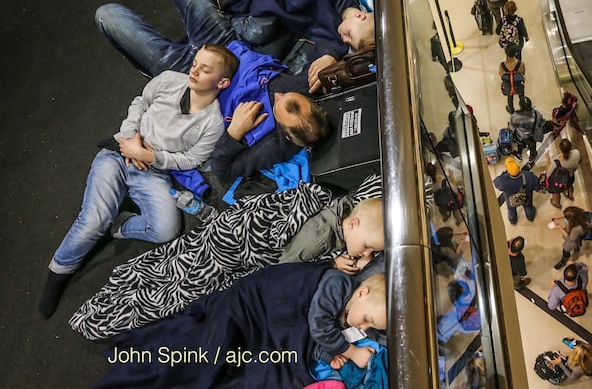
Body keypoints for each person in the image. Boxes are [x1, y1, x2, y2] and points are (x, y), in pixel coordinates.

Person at [38, 44, 239, 319]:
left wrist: (150, 155)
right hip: (117, 154)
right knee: (95, 220)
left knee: (166, 229)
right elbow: (139, 102)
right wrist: (130, 137)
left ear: (222, 82)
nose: (194, 70)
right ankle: (59, 270)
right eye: (195, 63)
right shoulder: (169, 80)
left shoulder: (212, 122)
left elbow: (190, 159)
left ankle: (120, 225)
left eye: (205, 70)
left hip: (153, 171)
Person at [69, 176, 385, 340]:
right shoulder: (322, 235)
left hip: (232, 236)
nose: (367, 255)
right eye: (369, 247)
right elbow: (286, 267)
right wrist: (328, 264)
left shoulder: (337, 220)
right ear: (353, 222)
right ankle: (101, 317)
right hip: (233, 245)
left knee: (177, 264)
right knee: (182, 288)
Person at [95, 0, 375, 93]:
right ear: (361, 15)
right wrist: (331, 49)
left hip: (193, 75)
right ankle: (220, 17)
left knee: (106, 15)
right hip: (226, 37)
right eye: (350, 37)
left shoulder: (345, 41)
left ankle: (210, 27)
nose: (346, 41)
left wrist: (330, 54)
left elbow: (327, 52)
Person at [91, 261, 386, 388]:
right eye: (368, 318)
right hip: (251, 310)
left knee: (253, 372)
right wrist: (348, 351)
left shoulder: (349, 307)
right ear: (363, 292)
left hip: (272, 332)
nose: (363, 325)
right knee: (204, 353)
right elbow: (318, 324)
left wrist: (326, 354)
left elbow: (315, 335)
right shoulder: (338, 284)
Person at [494, 157, 540, 225]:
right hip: (526, 197)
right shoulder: (528, 175)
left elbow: (496, 183)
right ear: (518, 167)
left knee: (511, 209)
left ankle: (513, 221)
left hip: (511, 200)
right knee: (528, 206)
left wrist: (504, 174)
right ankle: (530, 217)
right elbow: (537, 186)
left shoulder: (502, 181)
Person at [509, 96, 545, 169]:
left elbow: (512, 127)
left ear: (520, 106)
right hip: (532, 137)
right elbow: (541, 123)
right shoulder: (536, 114)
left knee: (520, 146)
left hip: (520, 136)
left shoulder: (515, 116)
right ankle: (531, 158)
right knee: (532, 147)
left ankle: (519, 156)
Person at [545, 138, 581, 209]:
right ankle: (570, 196)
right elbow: (579, 161)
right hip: (570, 177)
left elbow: (548, 174)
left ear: (560, 150)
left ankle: (557, 204)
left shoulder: (556, 162)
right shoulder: (576, 153)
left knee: (556, 192)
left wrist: (548, 159)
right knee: (570, 186)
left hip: (559, 181)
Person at [499, 43, 526, 114]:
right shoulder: (520, 63)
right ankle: (523, 107)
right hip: (518, 86)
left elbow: (500, 74)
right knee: (522, 95)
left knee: (510, 97)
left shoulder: (502, 65)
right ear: (516, 53)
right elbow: (523, 72)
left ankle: (511, 109)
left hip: (509, 87)